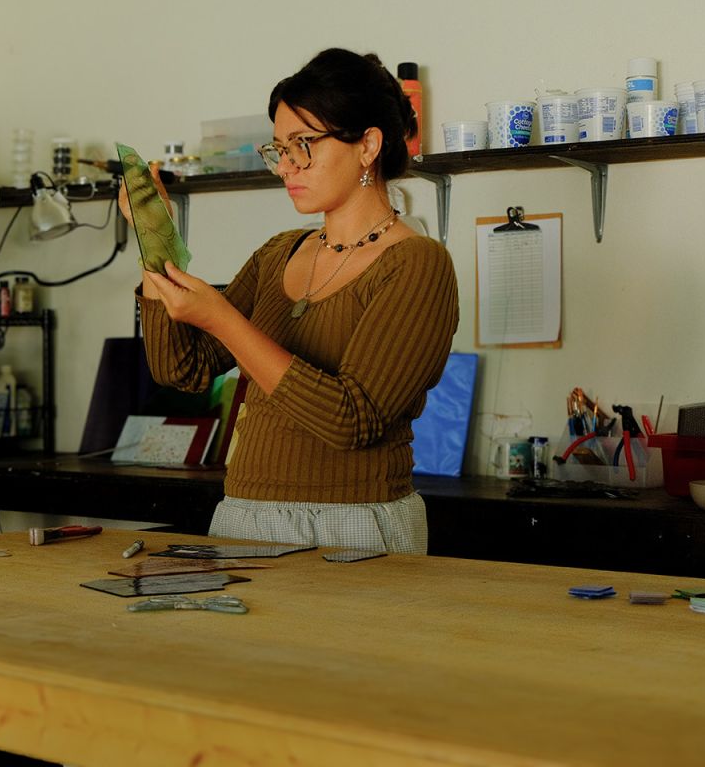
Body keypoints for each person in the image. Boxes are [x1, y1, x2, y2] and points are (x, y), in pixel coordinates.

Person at [129, 48, 459, 554]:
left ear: (368, 145)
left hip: (355, 526)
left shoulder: (417, 264)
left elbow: (353, 420)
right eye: (279, 148)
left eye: (303, 145)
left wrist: (223, 320)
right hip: (242, 516)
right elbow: (184, 368)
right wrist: (153, 238)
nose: (285, 166)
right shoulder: (278, 254)